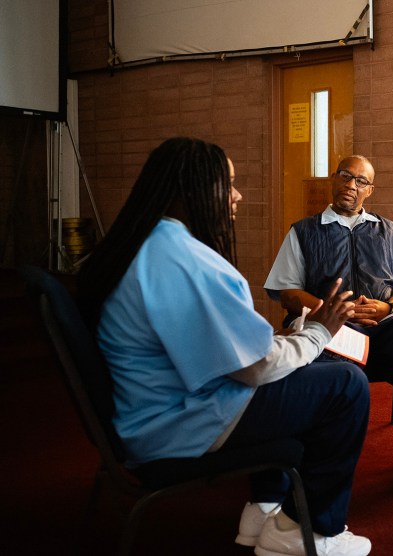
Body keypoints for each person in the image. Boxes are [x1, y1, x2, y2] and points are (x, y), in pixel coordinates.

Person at [76, 137, 372, 556]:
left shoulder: (145, 242)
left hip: (148, 412)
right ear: (189, 190)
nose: (237, 195)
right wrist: (320, 331)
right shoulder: (181, 257)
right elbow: (255, 369)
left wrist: (294, 340)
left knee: (305, 368)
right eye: (226, 183)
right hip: (178, 423)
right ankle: (304, 533)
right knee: (346, 385)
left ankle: (263, 510)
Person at [264, 155, 393, 486]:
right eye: (345, 176)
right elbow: (285, 291)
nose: (351, 185)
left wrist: (388, 307)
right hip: (329, 331)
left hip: (379, 330)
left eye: (360, 181)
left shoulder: (390, 231)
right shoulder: (304, 231)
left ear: (370, 190)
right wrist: (331, 309)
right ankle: (308, 457)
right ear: (334, 180)